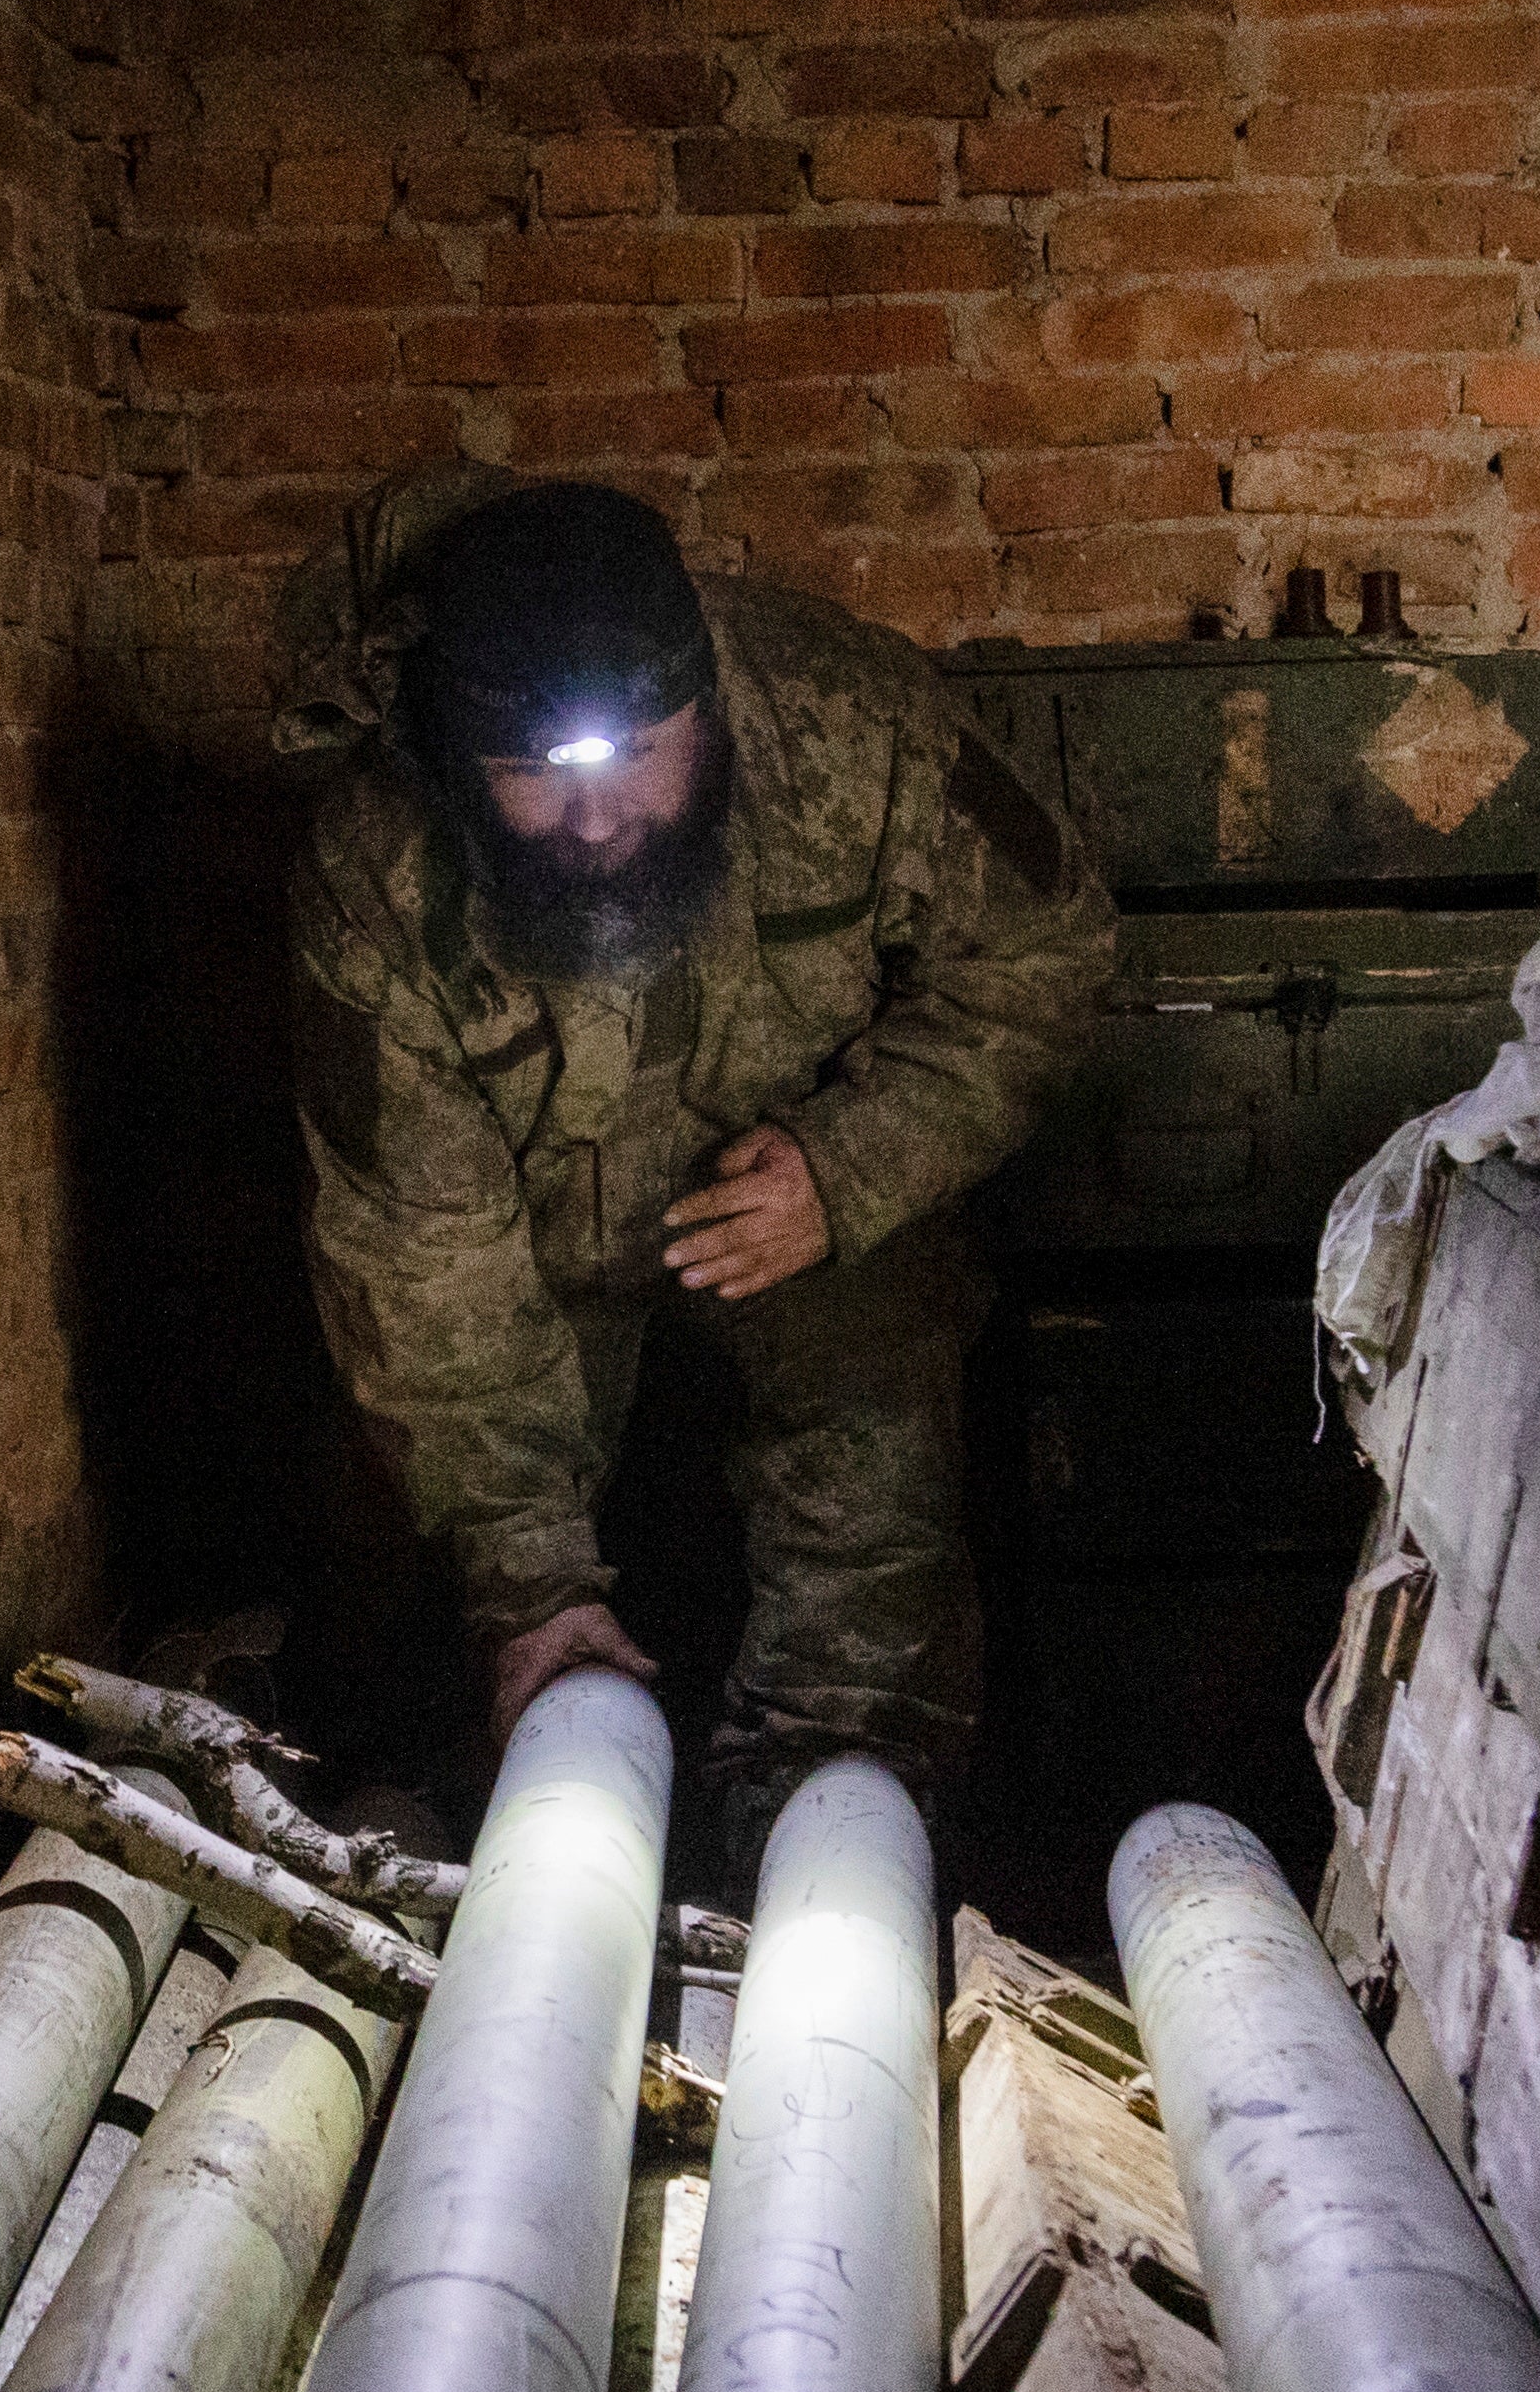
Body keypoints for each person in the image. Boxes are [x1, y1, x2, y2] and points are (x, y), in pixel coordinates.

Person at [272, 469, 1113, 1870]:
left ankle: (832, 1864)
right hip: (519, 1249)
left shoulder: (852, 724)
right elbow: (421, 1254)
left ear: (707, 702)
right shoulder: (374, 873)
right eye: (537, 777)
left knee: (874, 1563)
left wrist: (848, 1169)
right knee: (444, 1625)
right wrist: (526, 1583)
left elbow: (1048, 950)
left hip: (814, 1212)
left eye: (636, 757)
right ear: (457, 762)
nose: (598, 822)